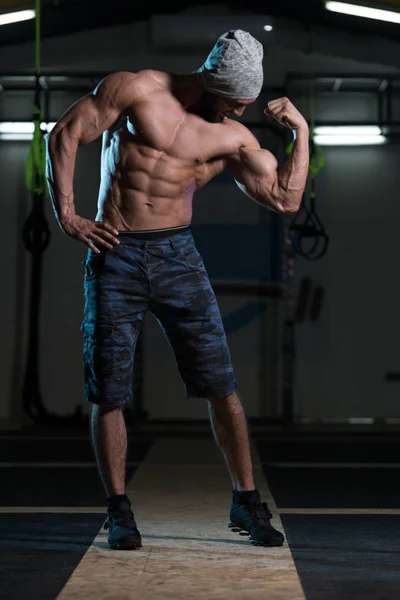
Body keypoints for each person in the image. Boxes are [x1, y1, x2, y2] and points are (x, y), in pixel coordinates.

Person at [45, 29, 309, 551]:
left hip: (177, 256)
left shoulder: (232, 139)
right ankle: (119, 510)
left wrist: (301, 131)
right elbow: (65, 134)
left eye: (245, 106)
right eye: (234, 103)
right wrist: (69, 216)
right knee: (109, 388)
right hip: (115, 252)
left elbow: (285, 200)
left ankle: (246, 502)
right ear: (214, 83)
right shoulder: (135, 90)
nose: (238, 114)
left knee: (221, 384)